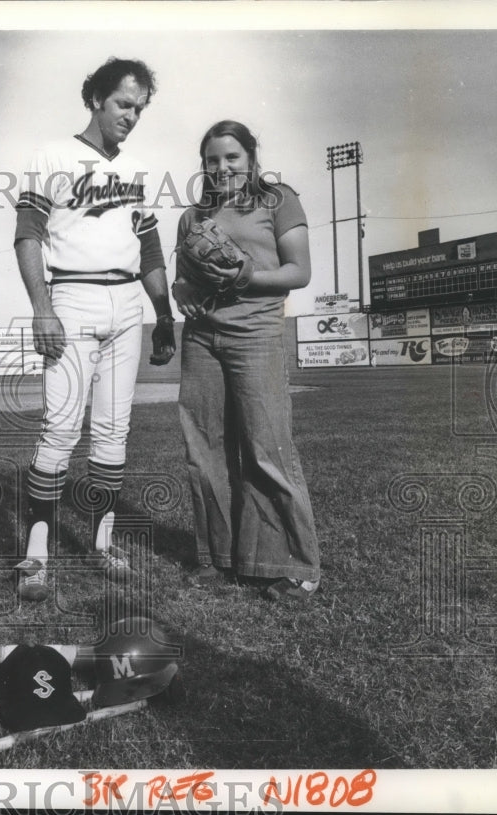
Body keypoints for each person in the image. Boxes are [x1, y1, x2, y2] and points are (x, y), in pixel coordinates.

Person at [12, 57, 176, 602]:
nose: (132, 115)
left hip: (128, 299)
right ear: (96, 99)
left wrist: (164, 313)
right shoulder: (54, 155)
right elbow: (28, 234)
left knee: (112, 429)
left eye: (140, 108)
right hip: (73, 295)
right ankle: (36, 553)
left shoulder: (137, 170)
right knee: (60, 428)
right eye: (124, 104)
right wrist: (41, 306)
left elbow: (149, 247)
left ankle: (104, 541)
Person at [172, 120, 320, 601]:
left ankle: (294, 565)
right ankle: (221, 558)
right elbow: (182, 281)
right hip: (202, 337)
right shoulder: (193, 216)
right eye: (213, 160)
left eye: (232, 157)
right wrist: (184, 292)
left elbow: (298, 273)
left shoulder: (277, 200)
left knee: (267, 447)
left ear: (251, 158)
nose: (222, 167)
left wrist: (244, 274)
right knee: (205, 449)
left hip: (256, 333)